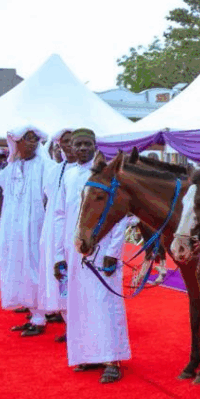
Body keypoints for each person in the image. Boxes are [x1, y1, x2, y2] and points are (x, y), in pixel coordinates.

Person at [53, 129, 132, 383]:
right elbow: (59, 214)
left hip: (103, 247)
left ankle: (111, 358)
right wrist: (58, 253)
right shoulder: (69, 175)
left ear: (96, 146)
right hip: (74, 248)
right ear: (71, 148)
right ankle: (88, 354)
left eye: (88, 144)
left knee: (104, 302)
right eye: (79, 144)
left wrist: (113, 252)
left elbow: (119, 215)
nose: (83, 148)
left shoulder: (106, 173)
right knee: (81, 303)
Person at [0, 126, 51, 337]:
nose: (31, 143)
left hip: (35, 227)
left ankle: (40, 318)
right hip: (14, 228)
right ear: (16, 143)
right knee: (18, 266)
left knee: (35, 267)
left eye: (35, 139)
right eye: (27, 139)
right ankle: (33, 312)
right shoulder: (11, 167)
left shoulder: (45, 166)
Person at [38, 128, 74, 341]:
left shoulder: (86, 170)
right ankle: (69, 325)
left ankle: (78, 328)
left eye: (72, 141)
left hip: (74, 233)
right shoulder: (53, 171)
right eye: (64, 142)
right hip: (53, 232)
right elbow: (48, 201)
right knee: (59, 279)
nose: (68, 146)